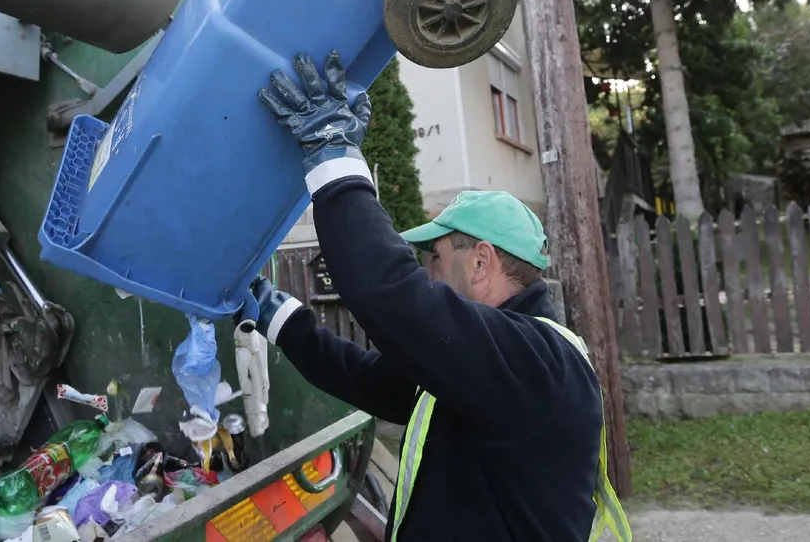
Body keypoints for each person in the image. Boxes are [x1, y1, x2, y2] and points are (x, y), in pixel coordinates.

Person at [245, 51, 630, 541]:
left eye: (435, 256)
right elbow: (369, 380)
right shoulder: (481, 367)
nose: (427, 270)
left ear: (481, 261)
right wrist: (279, 317)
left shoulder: (538, 363)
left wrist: (334, 157)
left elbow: (392, 296)